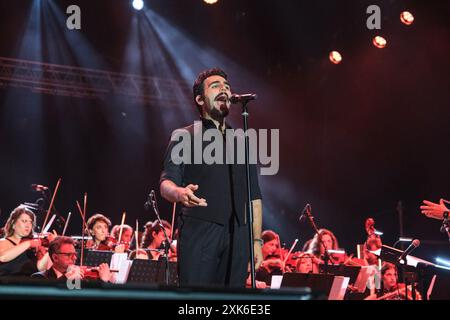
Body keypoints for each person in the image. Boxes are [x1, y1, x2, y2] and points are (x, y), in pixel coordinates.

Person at [159, 68, 263, 288]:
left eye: (226, 86)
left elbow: (254, 196)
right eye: (215, 86)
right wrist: (179, 192)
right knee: (198, 299)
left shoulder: (242, 141)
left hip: (239, 233)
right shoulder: (185, 136)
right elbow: (166, 183)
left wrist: (256, 241)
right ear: (199, 99)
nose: (224, 89)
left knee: (232, 302)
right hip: (201, 230)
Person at [0, 205, 55, 277]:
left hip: (28, 284)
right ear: (13, 224)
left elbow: (41, 268)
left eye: (30, 222)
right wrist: (28, 243)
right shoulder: (3, 242)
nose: (28, 225)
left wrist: (52, 246)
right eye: (24, 221)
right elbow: (3, 257)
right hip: (8, 285)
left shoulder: (32, 248)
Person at [32, 236, 115, 283]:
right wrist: (66, 279)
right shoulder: (39, 277)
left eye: (75, 254)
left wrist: (106, 281)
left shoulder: (78, 277)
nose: (74, 258)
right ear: (55, 257)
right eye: (69, 255)